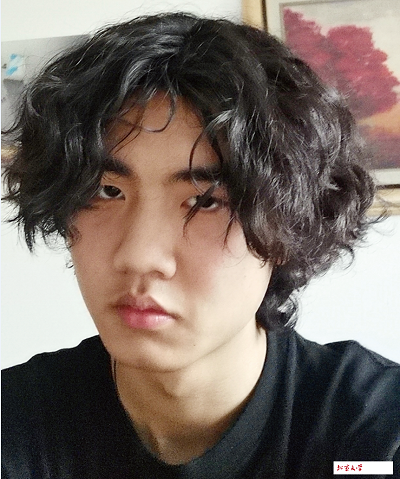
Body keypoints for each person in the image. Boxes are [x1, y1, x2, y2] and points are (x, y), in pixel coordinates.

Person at [2, 12, 399, 479]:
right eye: (106, 191)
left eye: (206, 201)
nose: (138, 256)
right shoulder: (16, 425)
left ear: (287, 228)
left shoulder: (373, 436)